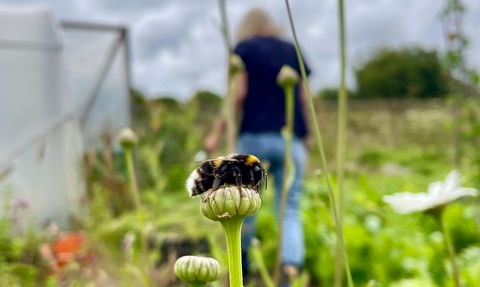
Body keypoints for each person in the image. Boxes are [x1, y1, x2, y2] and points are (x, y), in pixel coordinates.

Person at [204, 7, 312, 283]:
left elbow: (238, 93)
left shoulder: (245, 48)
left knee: (240, 206)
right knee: (289, 209)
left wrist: (216, 132)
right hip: (290, 138)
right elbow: (302, 97)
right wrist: (307, 134)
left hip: (252, 140)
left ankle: (242, 270)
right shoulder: (291, 50)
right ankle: (288, 274)